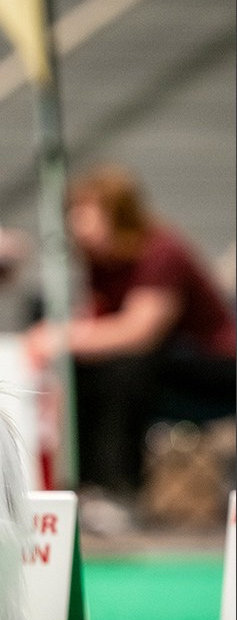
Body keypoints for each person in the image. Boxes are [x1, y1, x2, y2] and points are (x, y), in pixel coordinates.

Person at [26, 163, 236, 513]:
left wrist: (57, 337)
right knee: (83, 374)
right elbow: (98, 323)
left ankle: (117, 492)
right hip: (164, 367)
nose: (76, 223)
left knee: (124, 371)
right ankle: (85, 489)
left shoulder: (161, 251)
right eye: (73, 213)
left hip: (217, 367)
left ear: (117, 213)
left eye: (85, 212)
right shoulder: (102, 262)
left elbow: (137, 333)